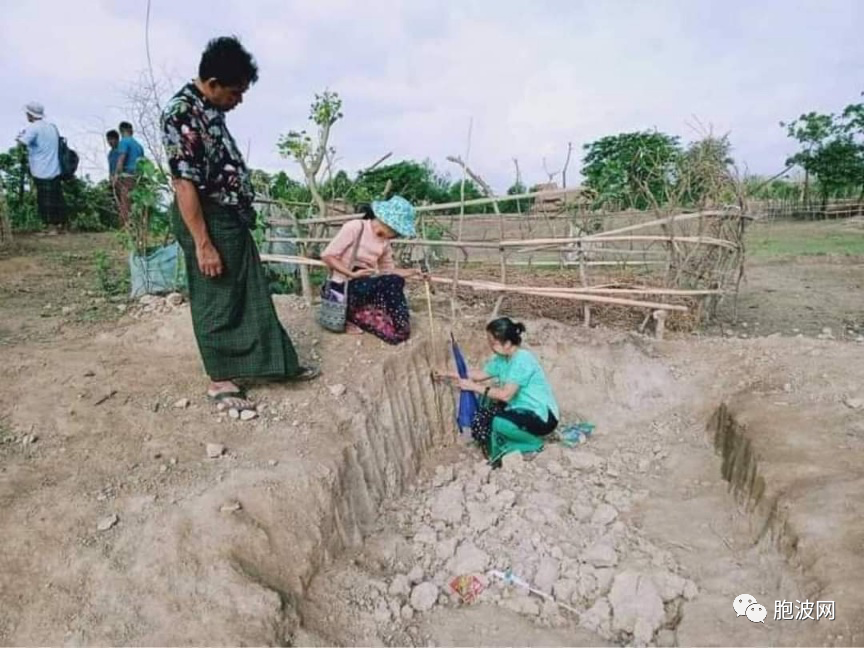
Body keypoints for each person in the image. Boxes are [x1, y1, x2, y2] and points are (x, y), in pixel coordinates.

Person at [161, 35, 318, 412]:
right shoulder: (182, 112)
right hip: (207, 220)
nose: (239, 99)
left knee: (248, 294)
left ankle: (273, 365)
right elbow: (184, 183)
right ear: (212, 84)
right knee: (216, 298)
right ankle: (220, 379)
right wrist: (203, 242)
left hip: (228, 219)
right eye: (235, 92)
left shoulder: (210, 110)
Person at [437, 317, 560, 465]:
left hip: (542, 416)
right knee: (486, 402)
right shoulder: (502, 359)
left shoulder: (522, 360)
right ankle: (508, 438)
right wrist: (447, 373)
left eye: (493, 343)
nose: (490, 346)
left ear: (507, 343)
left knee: (499, 423)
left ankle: (534, 443)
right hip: (519, 407)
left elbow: (506, 395)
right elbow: (480, 375)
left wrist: (472, 386)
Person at [320, 196, 423, 344]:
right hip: (342, 287)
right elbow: (328, 256)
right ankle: (349, 314)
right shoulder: (356, 227)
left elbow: (388, 271)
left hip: (363, 286)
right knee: (390, 283)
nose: (396, 236)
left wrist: (414, 272)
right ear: (388, 223)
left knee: (394, 281)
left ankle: (400, 329)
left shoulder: (384, 243)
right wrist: (352, 274)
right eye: (397, 231)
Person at [16, 102, 66, 234]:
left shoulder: (33, 128)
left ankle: (50, 227)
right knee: (56, 197)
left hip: (40, 168)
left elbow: (22, 142)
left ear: (30, 114)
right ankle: (59, 225)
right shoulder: (52, 127)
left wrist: (19, 137)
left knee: (44, 199)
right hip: (55, 168)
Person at [113, 121, 145, 226]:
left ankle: (125, 226)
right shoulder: (139, 146)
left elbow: (121, 159)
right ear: (131, 130)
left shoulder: (124, 142)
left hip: (128, 175)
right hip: (139, 176)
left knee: (125, 202)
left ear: (121, 131)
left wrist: (117, 175)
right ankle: (138, 225)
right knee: (136, 202)